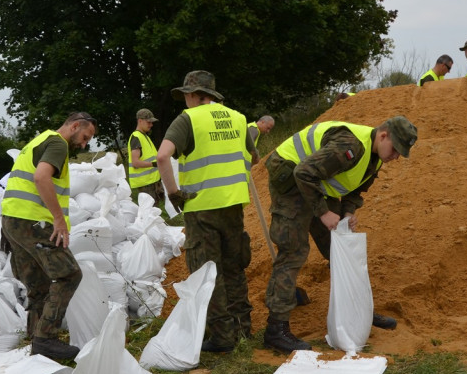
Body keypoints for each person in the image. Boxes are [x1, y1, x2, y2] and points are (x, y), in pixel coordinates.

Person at [262, 116, 418, 353]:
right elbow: (303, 173)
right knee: (294, 251)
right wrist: (323, 213)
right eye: (395, 149)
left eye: (400, 154)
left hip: (315, 183)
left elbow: (355, 190)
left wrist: (347, 213)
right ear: (383, 135)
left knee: (340, 247)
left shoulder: (376, 157)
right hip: (291, 176)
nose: (395, 156)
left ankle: (359, 313)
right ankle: (276, 330)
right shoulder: (350, 146)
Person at [157, 70, 258, 352]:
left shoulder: (188, 119)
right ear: (212, 95)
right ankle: (242, 328)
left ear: (191, 95)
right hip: (233, 205)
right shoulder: (237, 118)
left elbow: (163, 156)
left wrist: (174, 192)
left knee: (207, 272)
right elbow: (253, 157)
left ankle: (223, 337)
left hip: (201, 208)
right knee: (234, 267)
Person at [1, 112, 97, 361]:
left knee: (39, 285)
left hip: (14, 220)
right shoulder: (57, 144)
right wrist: (57, 218)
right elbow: (41, 176)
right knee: (69, 274)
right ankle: (46, 339)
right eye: (85, 136)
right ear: (75, 126)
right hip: (35, 221)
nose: (84, 144)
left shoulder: (38, 140)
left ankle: (35, 342)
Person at [128, 108, 163, 204]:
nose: (151, 125)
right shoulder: (137, 137)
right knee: (150, 213)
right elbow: (135, 162)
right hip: (146, 184)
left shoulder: (144, 136)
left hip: (151, 182)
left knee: (153, 213)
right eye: (149, 122)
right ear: (140, 121)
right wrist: (154, 164)